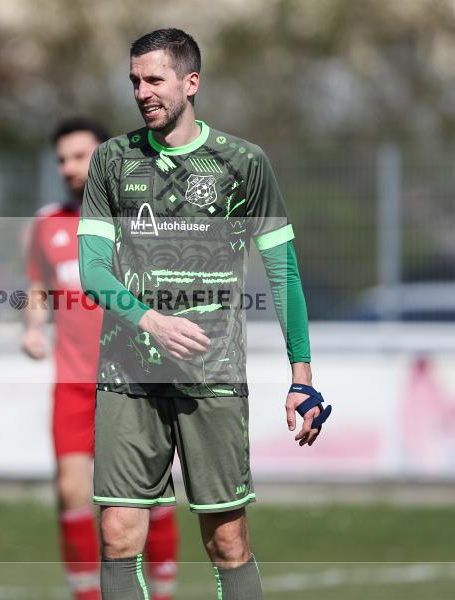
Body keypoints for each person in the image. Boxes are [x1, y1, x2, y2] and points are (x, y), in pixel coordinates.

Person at [77, 29, 332, 599]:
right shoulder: (111, 162)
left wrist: (302, 379)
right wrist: (150, 320)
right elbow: (92, 271)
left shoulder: (243, 163)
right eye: (134, 81)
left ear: (190, 83)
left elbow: (282, 272)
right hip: (127, 376)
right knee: (118, 534)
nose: (143, 91)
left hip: (210, 378)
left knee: (227, 542)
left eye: (155, 79)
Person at [23, 118, 179, 600]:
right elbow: (37, 289)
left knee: (150, 497)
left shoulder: (138, 219)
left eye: (79, 156)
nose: (69, 167)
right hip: (72, 382)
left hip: (133, 378)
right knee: (71, 492)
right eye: (62, 159)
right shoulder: (47, 225)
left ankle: (164, 591)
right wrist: (32, 328)